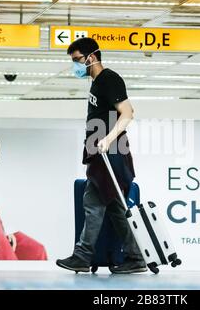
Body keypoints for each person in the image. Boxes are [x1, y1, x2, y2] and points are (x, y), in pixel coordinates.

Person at [56, 37, 146, 274]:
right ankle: (136, 257)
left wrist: (109, 138)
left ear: (91, 57)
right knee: (115, 207)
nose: (75, 65)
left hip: (111, 152)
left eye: (77, 60)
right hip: (102, 152)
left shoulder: (109, 79)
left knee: (93, 202)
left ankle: (82, 256)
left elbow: (128, 112)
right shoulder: (96, 83)